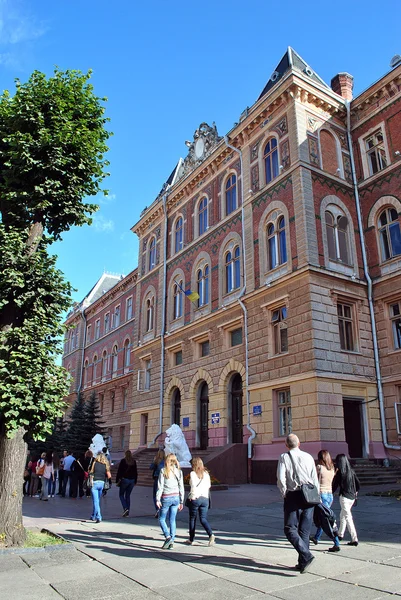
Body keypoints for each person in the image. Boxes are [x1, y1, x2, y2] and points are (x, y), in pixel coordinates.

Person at [277, 433, 319, 574]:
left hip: (293, 494)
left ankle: (306, 556)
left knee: (289, 528)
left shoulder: (284, 457)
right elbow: (314, 478)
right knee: (304, 531)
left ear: (286, 445)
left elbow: (281, 478)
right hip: (310, 495)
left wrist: (284, 493)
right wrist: (316, 495)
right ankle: (303, 563)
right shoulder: (308, 456)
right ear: (299, 444)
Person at [311, 450, 340, 552]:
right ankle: (316, 537)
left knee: (327, 520)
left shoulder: (319, 468)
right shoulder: (332, 469)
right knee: (323, 517)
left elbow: (312, 478)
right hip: (329, 495)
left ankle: (336, 542)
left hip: (321, 495)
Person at [156, 453, 184, 549]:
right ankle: (171, 541)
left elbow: (160, 486)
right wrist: (181, 501)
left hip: (166, 497)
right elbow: (181, 487)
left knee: (162, 519)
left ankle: (168, 537)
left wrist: (157, 499)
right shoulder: (179, 471)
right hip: (176, 498)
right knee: (172, 520)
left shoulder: (163, 471)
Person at [185, 457, 215, 546]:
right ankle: (211, 534)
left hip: (196, 498)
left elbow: (193, 486)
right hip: (205, 498)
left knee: (192, 519)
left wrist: (193, 496)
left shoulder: (193, 474)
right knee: (203, 519)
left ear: (194, 465)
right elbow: (209, 485)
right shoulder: (206, 474)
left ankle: (191, 539)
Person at [333, 454, 360, 546]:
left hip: (344, 497)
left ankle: (354, 538)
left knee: (348, 517)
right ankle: (340, 534)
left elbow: (334, 486)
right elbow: (358, 484)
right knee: (343, 515)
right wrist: (356, 492)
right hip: (352, 497)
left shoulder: (340, 473)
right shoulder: (351, 471)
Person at [89, 452, 112, 523]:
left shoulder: (94, 463)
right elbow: (109, 476)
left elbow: (91, 473)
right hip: (102, 483)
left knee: (95, 501)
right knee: (97, 500)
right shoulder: (105, 465)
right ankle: (93, 516)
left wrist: (91, 481)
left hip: (95, 483)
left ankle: (99, 516)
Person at [116, 450, 138, 517]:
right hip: (132, 480)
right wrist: (135, 481)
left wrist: (117, 480)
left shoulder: (123, 461)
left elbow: (119, 471)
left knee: (121, 494)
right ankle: (127, 511)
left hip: (125, 479)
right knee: (128, 495)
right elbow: (136, 472)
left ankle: (125, 508)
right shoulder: (133, 461)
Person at [150, 449, 165, 516]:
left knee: (155, 495)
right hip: (165, 479)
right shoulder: (166, 461)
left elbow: (151, 467)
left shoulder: (157, 461)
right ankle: (162, 509)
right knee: (162, 495)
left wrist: (154, 461)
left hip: (157, 479)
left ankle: (158, 509)